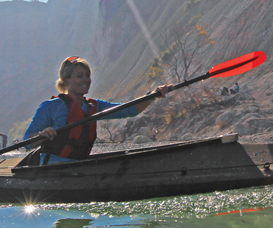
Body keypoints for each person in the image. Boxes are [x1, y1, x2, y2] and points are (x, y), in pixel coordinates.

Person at [23, 56, 172, 165]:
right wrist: (42, 135)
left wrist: (152, 96)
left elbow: (129, 110)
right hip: (52, 168)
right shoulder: (50, 106)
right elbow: (27, 142)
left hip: (79, 166)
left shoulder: (94, 106)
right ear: (66, 80)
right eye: (79, 76)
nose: (86, 80)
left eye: (88, 76)